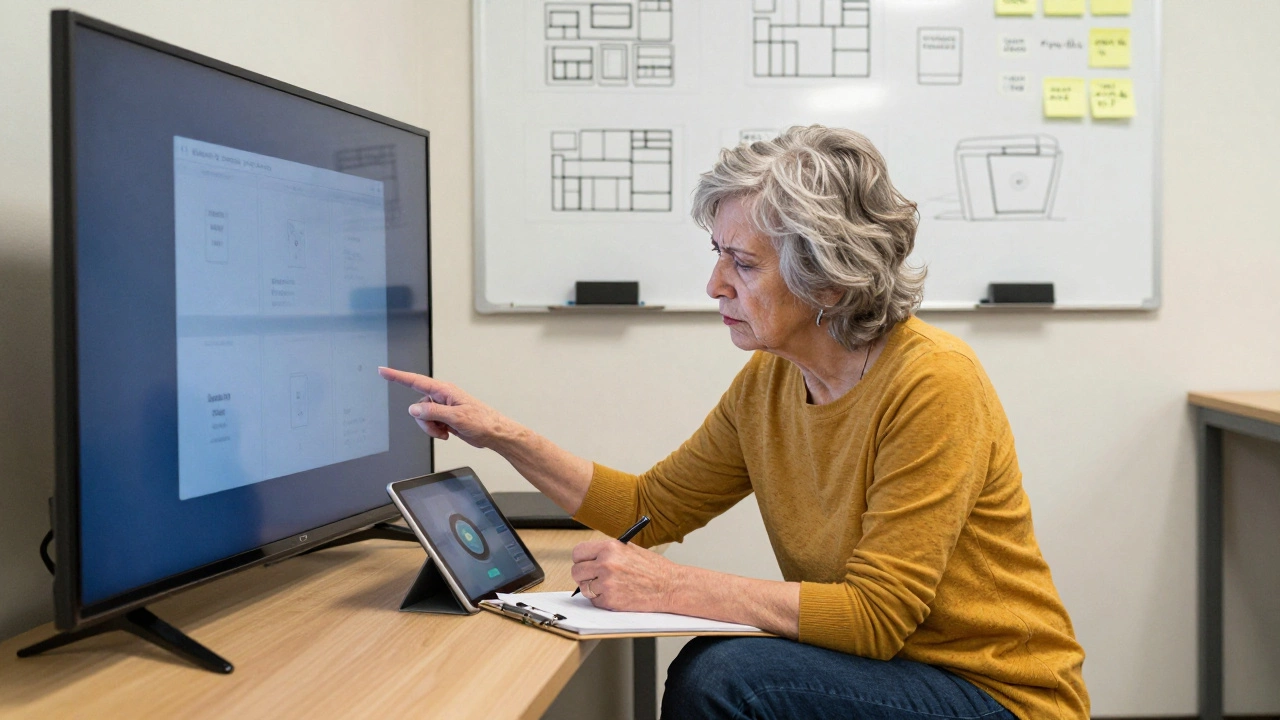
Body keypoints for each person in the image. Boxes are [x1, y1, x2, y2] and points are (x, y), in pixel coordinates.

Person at [379, 125, 1088, 719]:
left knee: (726, 677)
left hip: (998, 694)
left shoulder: (933, 381)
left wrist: (672, 588)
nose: (715, 285)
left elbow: (875, 617)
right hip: (892, 673)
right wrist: (500, 433)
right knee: (721, 665)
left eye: (742, 263)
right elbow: (646, 509)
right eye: (717, 255)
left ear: (830, 278)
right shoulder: (771, 381)